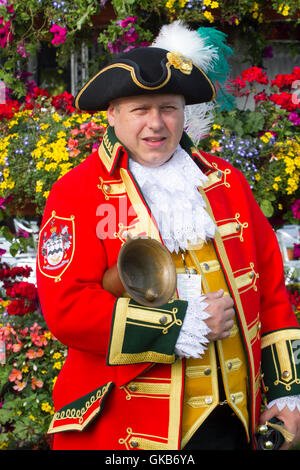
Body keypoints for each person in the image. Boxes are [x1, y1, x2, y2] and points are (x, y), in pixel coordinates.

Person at [36, 22, 300, 450]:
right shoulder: (78, 192)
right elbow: (67, 306)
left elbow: (269, 289)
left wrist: (288, 390)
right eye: (140, 110)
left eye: (169, 108)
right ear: (113, 114)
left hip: (233, 421)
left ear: (184, 112)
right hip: (130, 427)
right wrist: (181, 325)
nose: (156, 124)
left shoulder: (227, 181)